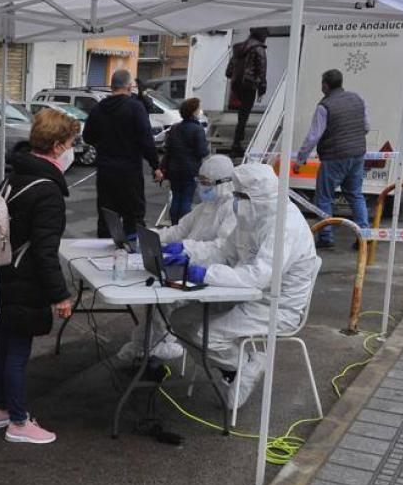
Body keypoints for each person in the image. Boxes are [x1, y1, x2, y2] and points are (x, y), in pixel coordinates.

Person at [172, 163, 319, 408]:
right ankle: (232, 371)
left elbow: (259, 276)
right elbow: (223, 251)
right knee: (179, 320)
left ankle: (247, 363)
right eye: (236, 195)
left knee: (204, 334)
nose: (236, 201)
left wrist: (206, 274)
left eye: (241, 196)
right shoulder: (252, 215)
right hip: (245, 294)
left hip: (275, 305)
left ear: (260, 196)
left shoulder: (285, 225)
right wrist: (188, 253)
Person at [0, 108, 79, 444]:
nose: (73, 148)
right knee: (17, 353)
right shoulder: (48, 191)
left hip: (1, 273)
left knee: (5, 346)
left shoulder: (13, 176)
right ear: (57, 146)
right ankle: (18, 421)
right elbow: (44, 250)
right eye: (70, 142)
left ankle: (0, 410)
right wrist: (60, 295)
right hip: (26, 280)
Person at [116, 153, 238, 365]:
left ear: (224, 183)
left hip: (212, 274)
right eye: (199, 181)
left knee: (166, 301)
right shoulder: (205, 207)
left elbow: (222, 248)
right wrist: (151, 236)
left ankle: (151, 347)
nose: (201, 187)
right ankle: (145, 347)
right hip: (188, 266)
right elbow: (178, 230)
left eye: (206, 183)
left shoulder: (233, 210)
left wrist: (185, 248)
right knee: (157, 296)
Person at [83, 68, 163, 242]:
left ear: (112, 86)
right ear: (129, 86)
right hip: (130, 173)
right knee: (133, 216)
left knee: (107, 217)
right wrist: (155, 165)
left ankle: (102, 254)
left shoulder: (97, 109)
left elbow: (87, 136)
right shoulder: (135, 108)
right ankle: (132, 253)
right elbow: (146, 140)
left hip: (105, 172)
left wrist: (103, 144)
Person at [297, 68, 371, 250]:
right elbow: (366, 126)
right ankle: (364, 235)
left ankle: (326, 236)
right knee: (355, 194)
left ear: (325, 85)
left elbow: (313, 136)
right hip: (357, 154)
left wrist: (300, 159)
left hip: (334, 157)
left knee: (324, 198)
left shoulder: (325, 106)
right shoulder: (357, 99)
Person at [161, 97, 209, 223]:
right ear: (193, 111)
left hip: (174, 168)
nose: (200, 111)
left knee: (176, 197)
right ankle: (183, 225)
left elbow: (168, 148)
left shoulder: (175, 128)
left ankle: (174, 224)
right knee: (186, 199)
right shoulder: (197, 129)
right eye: (198, 109)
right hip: (190, 169)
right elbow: (202, 151)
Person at [227, 27, 268, 157]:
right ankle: (236, 144)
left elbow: (229, 71)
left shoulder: (238, 48)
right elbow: (262, 70)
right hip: (249, 85)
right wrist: (262, 88)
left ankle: (237, 142)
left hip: (236, 84)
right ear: (261, 35)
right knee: (244, 116)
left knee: (242, 115)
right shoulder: (259, 49)